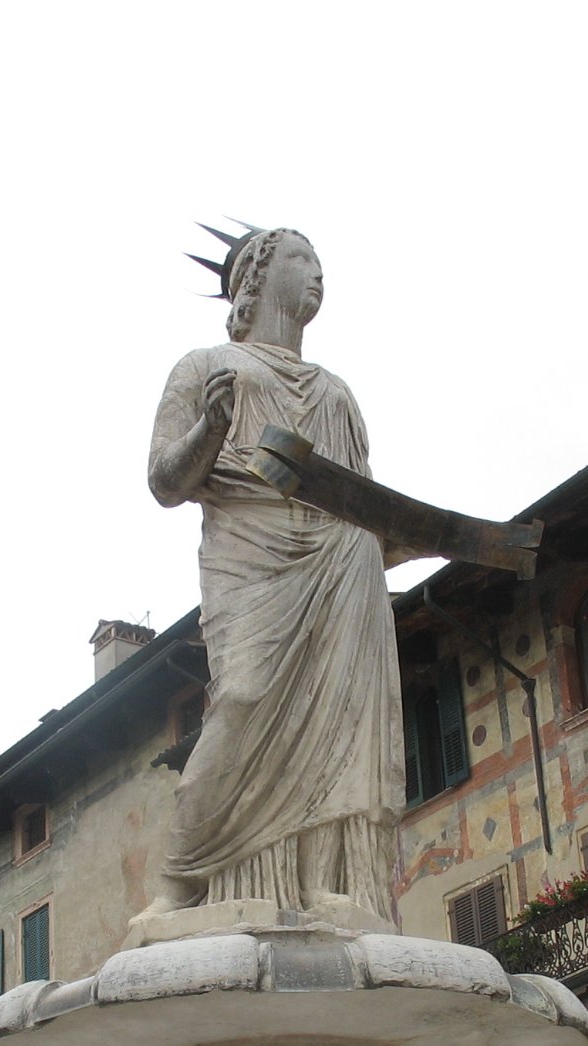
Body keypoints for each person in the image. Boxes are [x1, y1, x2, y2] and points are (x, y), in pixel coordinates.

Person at [141, 228, 404, 920]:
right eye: (303, 260)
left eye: (320, 264)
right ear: (255, 277)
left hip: (342, 561)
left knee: (341, 717)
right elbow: (165, 480)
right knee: (244, 700)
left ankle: (326, 888)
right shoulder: (206, 367)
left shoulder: (337, 393)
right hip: (249, 555)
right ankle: (183, 879)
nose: (319, 274)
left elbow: (366, 501)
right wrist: (211, 431)